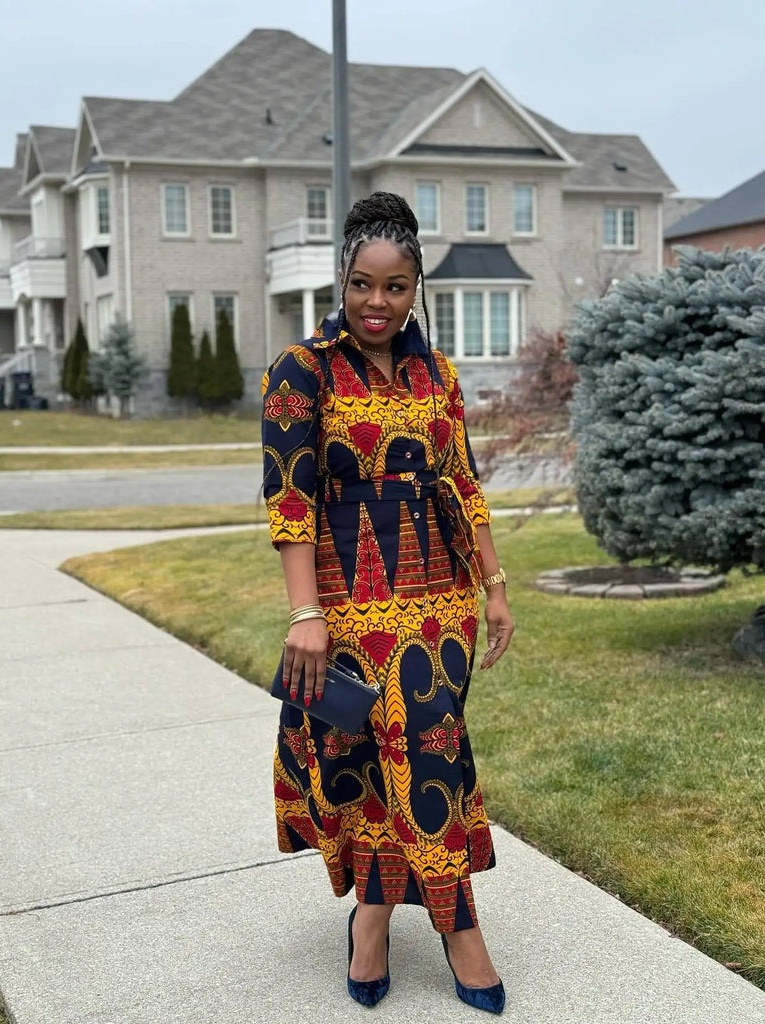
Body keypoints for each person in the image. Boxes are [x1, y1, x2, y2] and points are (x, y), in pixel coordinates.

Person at [261, 191, 514, 1013]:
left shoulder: (437, 373)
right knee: (375, 759)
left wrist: (493, 585)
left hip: (440, 599)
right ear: (342, 280)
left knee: (420, 754)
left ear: (414, 290)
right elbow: (289, 496)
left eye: (395, 286)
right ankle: (424, 924)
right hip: (347, 602)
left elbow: (461, 481)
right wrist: (305, 612)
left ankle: (403, 925)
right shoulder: (302, 369)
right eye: (363, 284)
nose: (377, 302)